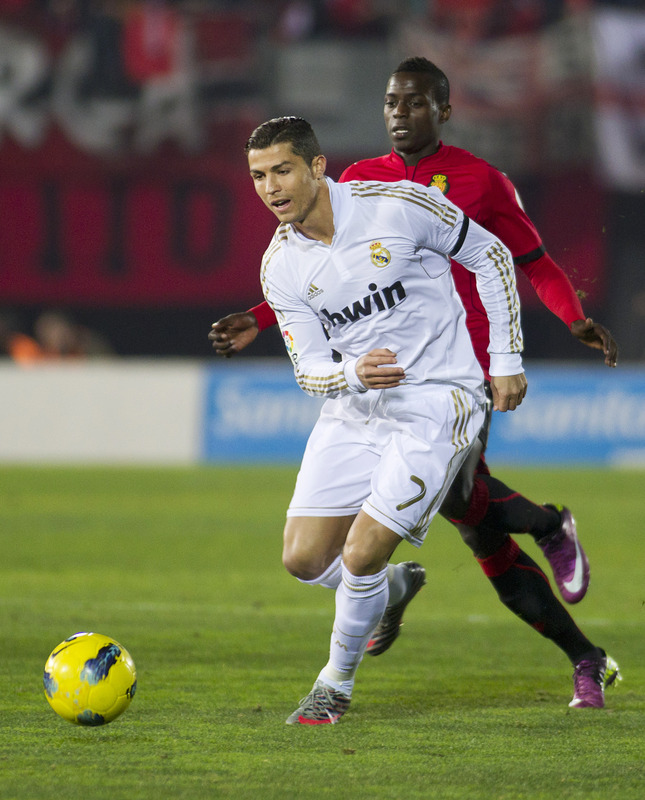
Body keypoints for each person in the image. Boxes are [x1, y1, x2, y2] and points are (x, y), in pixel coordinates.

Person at [210, 59, 622, 713]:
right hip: (366, 400)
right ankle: (545, 553)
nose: (399, 113)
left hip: (450, 381)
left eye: (413, 102)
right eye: (389, 102)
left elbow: (519, 259)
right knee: (436, 529)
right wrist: (268, 324)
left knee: (444, 527)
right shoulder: (344, 194)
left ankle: (336, 685)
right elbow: (326, 298)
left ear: (442, 110)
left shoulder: (461, 186)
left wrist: (528, 344)